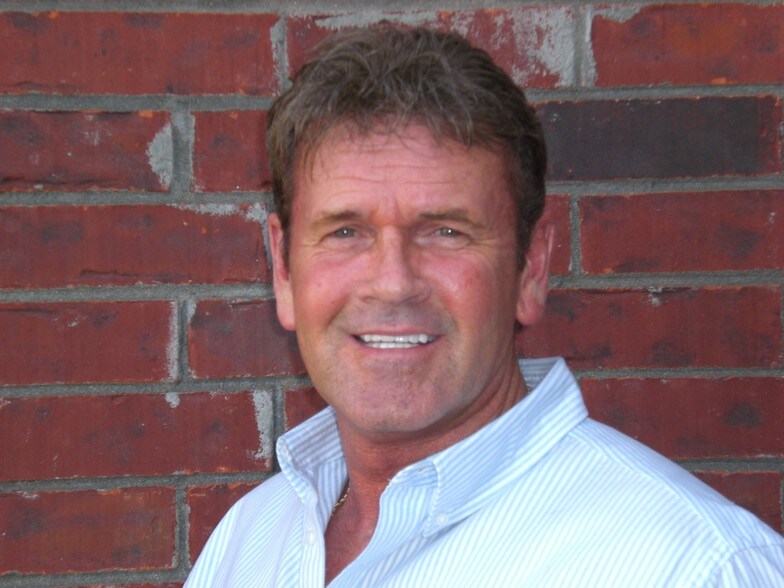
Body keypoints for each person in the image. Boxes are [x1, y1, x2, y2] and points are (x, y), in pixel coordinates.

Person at [185, 25, 784, 587]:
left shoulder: (694, 567)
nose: (392, 283)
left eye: (446, 231)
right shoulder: (250, 540)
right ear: (284, 269)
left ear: (531, 267)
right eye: (345, 232)